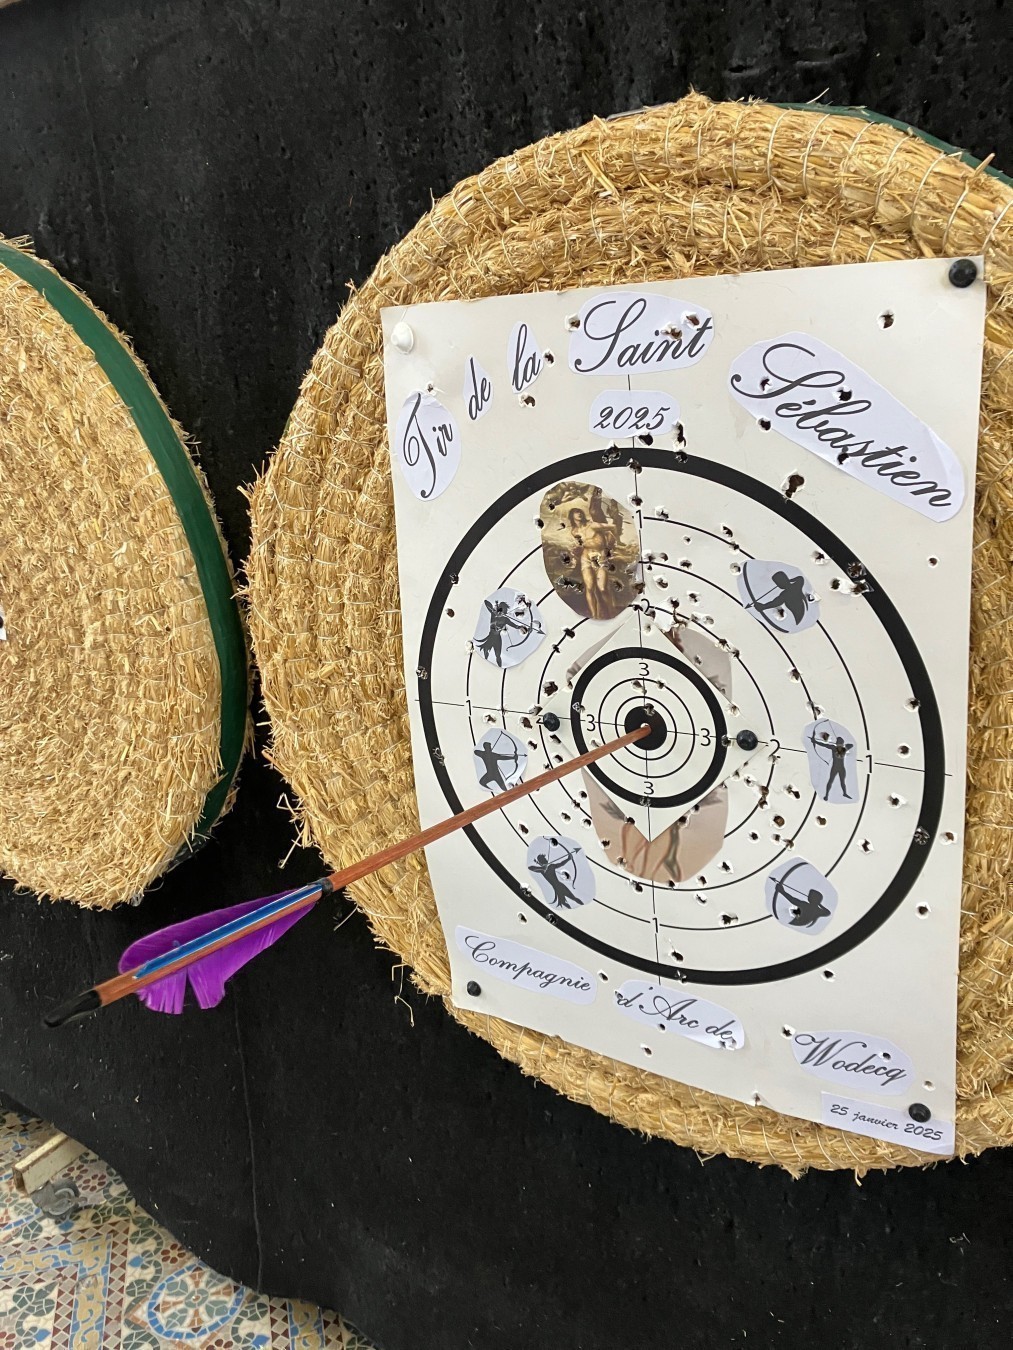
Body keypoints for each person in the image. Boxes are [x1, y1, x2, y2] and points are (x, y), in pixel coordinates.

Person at [568, 491, 620, 620]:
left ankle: (611, 611)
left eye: (580, 512)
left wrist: (610, 542)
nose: (579, 514)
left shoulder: (593, 525)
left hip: (600, 556)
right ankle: (594, 614)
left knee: (602, 588)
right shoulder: (574, 531)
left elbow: (612, 527)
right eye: (576, 512)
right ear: (572, 516)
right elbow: (580, 544)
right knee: (589, 588)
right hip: (586, 558)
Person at [528, 840, 586, 909]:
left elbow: (561, 864)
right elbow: (530, 868)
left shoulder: (551, 866)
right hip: (557, 888)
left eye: (545, 859)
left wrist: (568, 859)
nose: (546, 860)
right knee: (564, 902)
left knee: (573, 898)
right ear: (542, 861)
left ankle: (585, 908)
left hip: (559, 885)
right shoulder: (542, 870)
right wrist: (542, 867)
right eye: (544, 859)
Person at [477, 599, 530, 666]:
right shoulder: (493, 614)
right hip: (491, 637)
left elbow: (515, 625)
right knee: (486, 653)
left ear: (504, 612)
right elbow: (486, 602)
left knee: (498, 656)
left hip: (497, 639)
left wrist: (521, 627)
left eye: (502, 611)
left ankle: (500, 666)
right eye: (499, 610)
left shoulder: (505, 619)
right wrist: (494, 609)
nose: (500, 612)